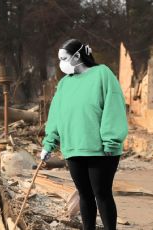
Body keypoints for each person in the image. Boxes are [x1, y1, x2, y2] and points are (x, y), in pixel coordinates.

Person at [40, 38, 128, 230]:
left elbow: (113, 107)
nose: (61, 63)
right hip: (73, 148)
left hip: (101, 150)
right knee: (84, 194)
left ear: (77, 56)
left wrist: (111, 141)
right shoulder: (64, 84)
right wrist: (49, 143)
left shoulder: (102, 74)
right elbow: (56, 115)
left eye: (64, 58)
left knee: (102, 193)